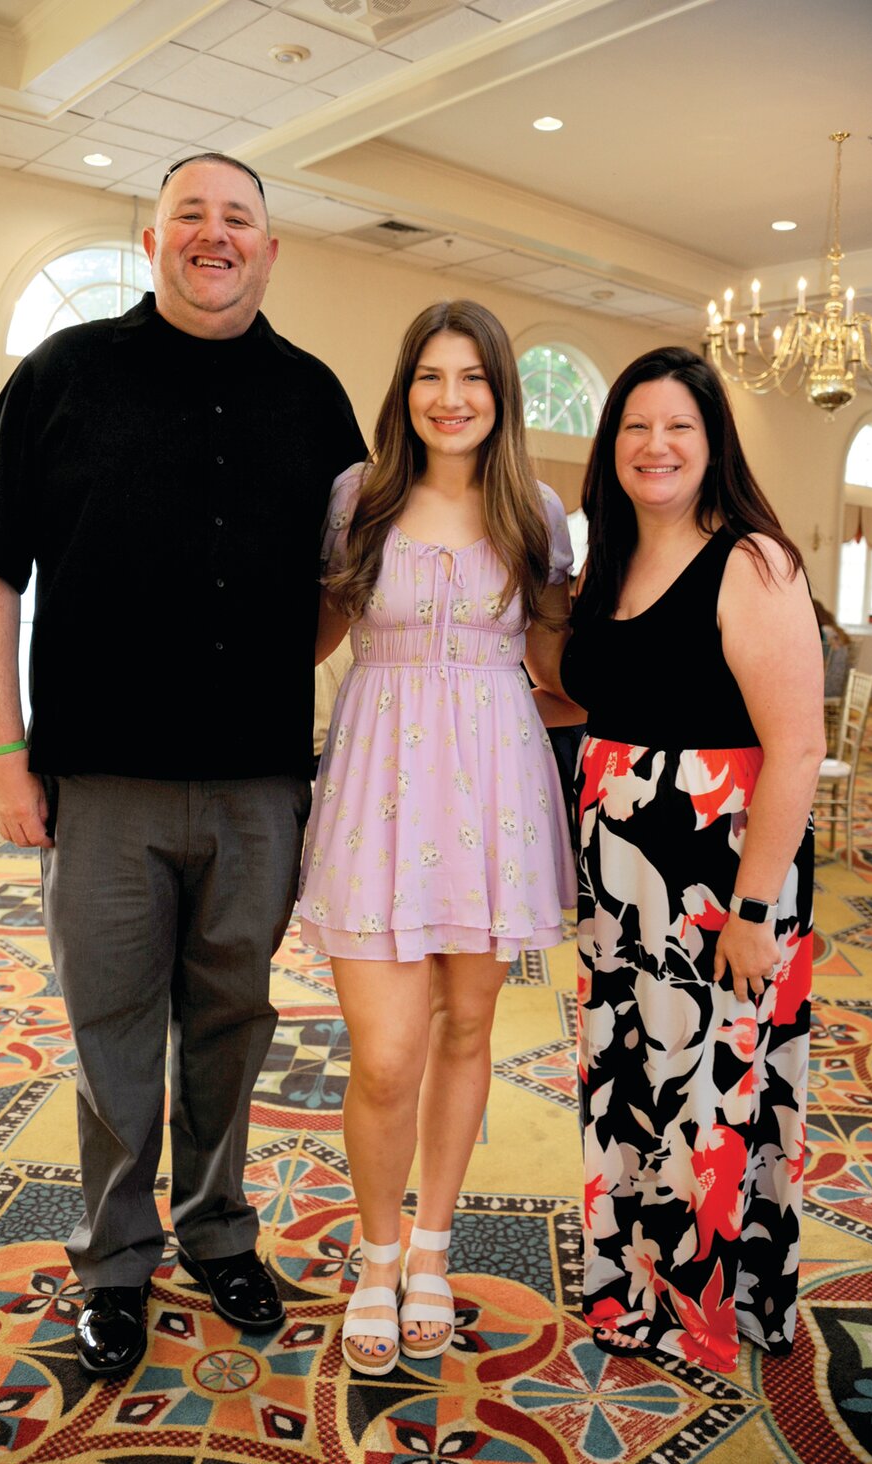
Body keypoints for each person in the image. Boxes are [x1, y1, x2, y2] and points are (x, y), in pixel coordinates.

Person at [0, 153, 364, 1378]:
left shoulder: (315, 398)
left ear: (270, 250)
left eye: (239, 220)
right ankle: (115, 1260)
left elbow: (340, 587)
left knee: (232, 1017)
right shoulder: (66, 373)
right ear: (152, 237)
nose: (214, 236)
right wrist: (2, 755)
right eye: (192, 217)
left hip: (257, 786)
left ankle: (220, 1228)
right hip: (103, 785)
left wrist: (284, 664)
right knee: (112, 1025)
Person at [296, 300, 576, 1375]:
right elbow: (311, 633)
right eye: (429, 375)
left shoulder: (534, 510)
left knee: (467, 1028)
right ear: (404, 388)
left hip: (492, 790)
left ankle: (428, 1247)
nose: (449, 396)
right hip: (378, 788)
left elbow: (553, 661)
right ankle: (371, 1254)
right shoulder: (353, 499)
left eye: (471, 377)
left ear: (498, 395)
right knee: (386, 1053)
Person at [560, 346, 824, 1372]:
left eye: (676, 425)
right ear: (610, 446)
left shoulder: (752, 559)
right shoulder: (607, 557)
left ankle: (705, 1303)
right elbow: (592, 697)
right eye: (633, 427)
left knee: (709, 1094)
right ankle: (631, 1282)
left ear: (710, 441)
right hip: (619, 881)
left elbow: (794, 745)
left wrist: (754, 909)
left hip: (717, 877)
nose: (653, 444)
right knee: (630, 1078)